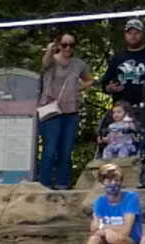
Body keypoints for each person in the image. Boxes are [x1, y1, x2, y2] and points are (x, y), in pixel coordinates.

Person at [36, 33, 94, 190]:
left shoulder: (79, 64)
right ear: (59, 45)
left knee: (66, 151)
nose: (68, 48)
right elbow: (45, 64)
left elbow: (90, 79)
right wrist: (50, 50)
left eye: (71, 45)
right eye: (64, 44)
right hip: (51, 110)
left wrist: (77, 88)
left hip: (71, 111)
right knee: (49, 150)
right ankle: (44, 185)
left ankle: (63, 184)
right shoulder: (52, 61)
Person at [102, 18, 145, 114]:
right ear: (125, 35)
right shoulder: (117, 58)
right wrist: (110, 88)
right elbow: (105, 84)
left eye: (136, 33)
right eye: (130, 33)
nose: (133, 36)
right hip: (120, 111)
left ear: (143, 34)